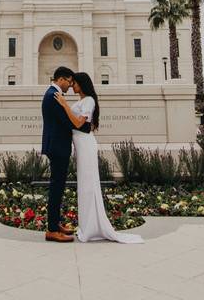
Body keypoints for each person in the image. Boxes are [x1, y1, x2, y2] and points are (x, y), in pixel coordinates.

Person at [54, 72, 143, 244]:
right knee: (84, 185)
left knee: (89, 184)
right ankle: (87, 226)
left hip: (86, 145)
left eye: (75, 83)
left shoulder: (89, 100)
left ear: (82, 84)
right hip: (80, 145)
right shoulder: (81, 101)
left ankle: (92, 228)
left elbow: (80, 123)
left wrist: (65, 105)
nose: (72, 86)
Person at [40, 66, 75, 243]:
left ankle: (55, 223)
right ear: (61, 79)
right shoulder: (54, 96)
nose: (70, 86)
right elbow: (66, 121)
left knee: (58, 186)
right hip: (58, 147)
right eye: (69, 82)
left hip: (56, 146)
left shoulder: (52, 94)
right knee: (56, 187)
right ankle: (52, 229)